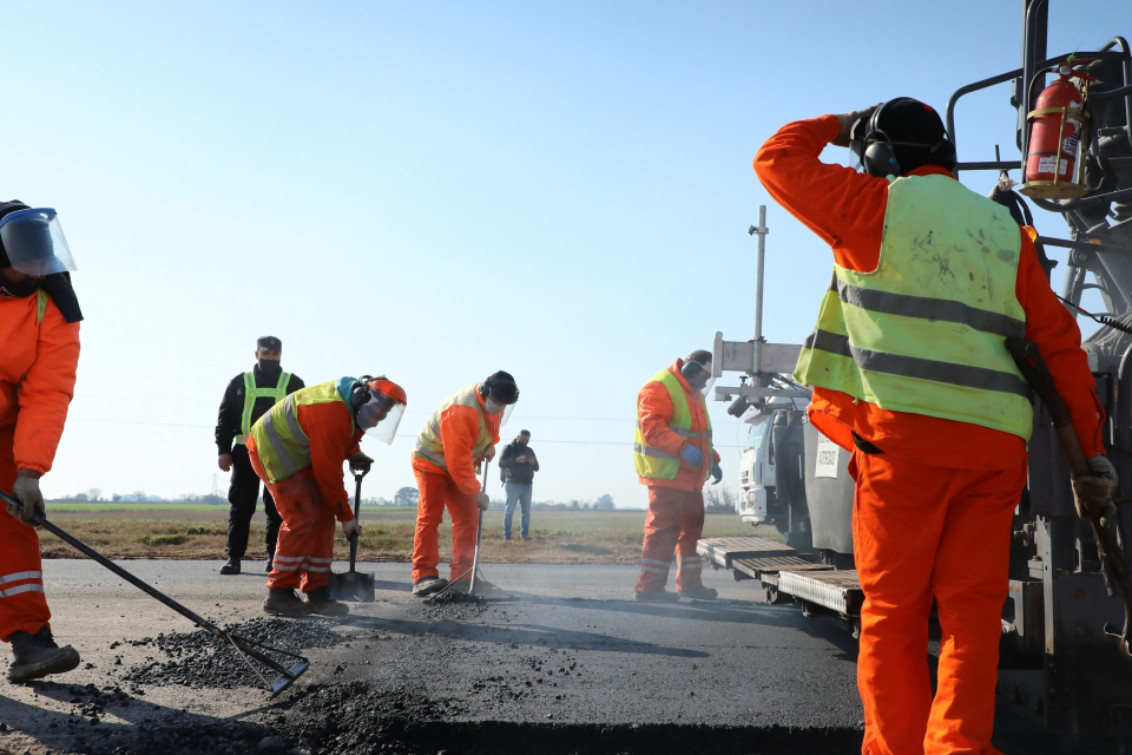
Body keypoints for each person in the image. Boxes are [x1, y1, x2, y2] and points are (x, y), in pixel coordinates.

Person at [754, 97, 1115, 754]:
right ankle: (960, 747)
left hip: (903, 449)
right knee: (971, 617)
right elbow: (1061, 349)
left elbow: (775, 159)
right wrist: (1091, 458)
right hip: (993, 454)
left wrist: (839, 124)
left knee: (893, 616)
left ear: (880, 156)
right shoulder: (1003, 231)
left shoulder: (871, 206)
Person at [0, 202, 84, 683]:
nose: (34, 271)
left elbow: (49, 389)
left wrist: (29, 471)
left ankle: (30, 641)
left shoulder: (54, 302)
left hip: (5, 425)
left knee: (13, 521)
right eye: (23, 261)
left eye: (41, 261)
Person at [246, 375, 406, 617]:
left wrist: (353, 452)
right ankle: (278, 593)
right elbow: (328, 474)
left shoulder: (350, 405)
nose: (375, 422)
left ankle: (317, 590)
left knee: (323, 520)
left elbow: (346, 434)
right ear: (363, 398)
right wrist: (347, 517)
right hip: (275, 449)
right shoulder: (331, 414)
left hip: (301, 450)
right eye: (375, 414)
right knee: (303, 518)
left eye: (382, 417)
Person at [410, 371, 519, 596]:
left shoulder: (496, 403)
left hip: (458, 466)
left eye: (504, 405)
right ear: (486, 391)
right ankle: (423, 576)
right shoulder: (461, 411)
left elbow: (488, 428)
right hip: (431, 462)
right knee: (430, 516)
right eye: (497, 403)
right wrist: (477, 493)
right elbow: (458, 464)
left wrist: (490, 445)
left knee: (469, 517)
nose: (500, 408)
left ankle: (463, 576)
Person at [633, 350, 722, 603]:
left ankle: (690, 585)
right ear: (692, 370)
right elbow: (653, 429)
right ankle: (649, 589)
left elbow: (699, 434)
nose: (705, 383)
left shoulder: (693, 393)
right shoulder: (659, 387)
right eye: (704, 377)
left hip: (690, 478)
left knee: (691, 534)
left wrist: (711, 459)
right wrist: (683, 449)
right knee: (662, 532)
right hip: (667, 476)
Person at [214, 336, 305, 576]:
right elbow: (225, 418)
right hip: (245, 454)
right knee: (241, 507)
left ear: (281, 356)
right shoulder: (239, 382)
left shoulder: (293, 383)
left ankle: (274, 559)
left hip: (281, 456)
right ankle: (234, 558)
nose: (270, 358)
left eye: (275, 355)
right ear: (257, 354)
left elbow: (304, 420)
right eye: (266, 354)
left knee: (277, 509)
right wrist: (223, 450)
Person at [499, 429, 539, 541]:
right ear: (518, 437)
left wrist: (533, 462)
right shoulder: (509, 448)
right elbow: (501, 463)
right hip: (512, 483)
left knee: (526, 512)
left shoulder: (529, 450)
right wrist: (516, 460)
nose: (525, 442)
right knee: (509, 510)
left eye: (527, 440)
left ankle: (524, 535)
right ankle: (506, 536)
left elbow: (537, 468)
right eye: (523, 439)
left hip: (527, 485)